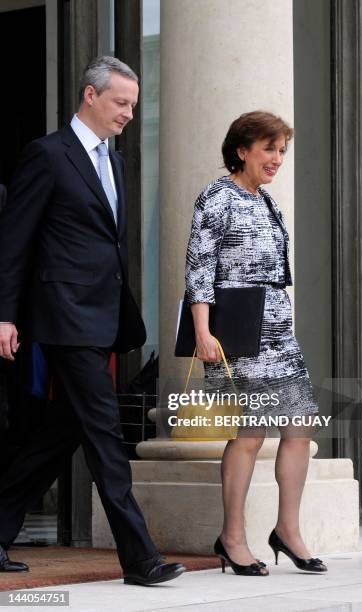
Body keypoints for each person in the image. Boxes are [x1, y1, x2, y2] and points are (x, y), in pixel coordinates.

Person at [0, 56, 184, 585]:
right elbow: (14, 242)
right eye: (120, 103)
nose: (128, 113)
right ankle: (140, 557)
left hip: (102, 317)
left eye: (133, 104)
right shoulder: (48, 155)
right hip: (64, 318)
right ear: (89, 96)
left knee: (62, 433)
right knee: (105, 434)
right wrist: (5, 316)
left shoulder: (116, 162)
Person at [185, 111, 327, 576]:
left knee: (300, 429)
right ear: (242, 150)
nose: (277, 159)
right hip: (237, 332)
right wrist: (203, 332)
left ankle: (287, 530)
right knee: (250, 432)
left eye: (282, 150)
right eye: (269, 148)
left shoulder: (267, 202)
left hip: (279, 332)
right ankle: (232, 537)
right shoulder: (217, 196)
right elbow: (200, 267)